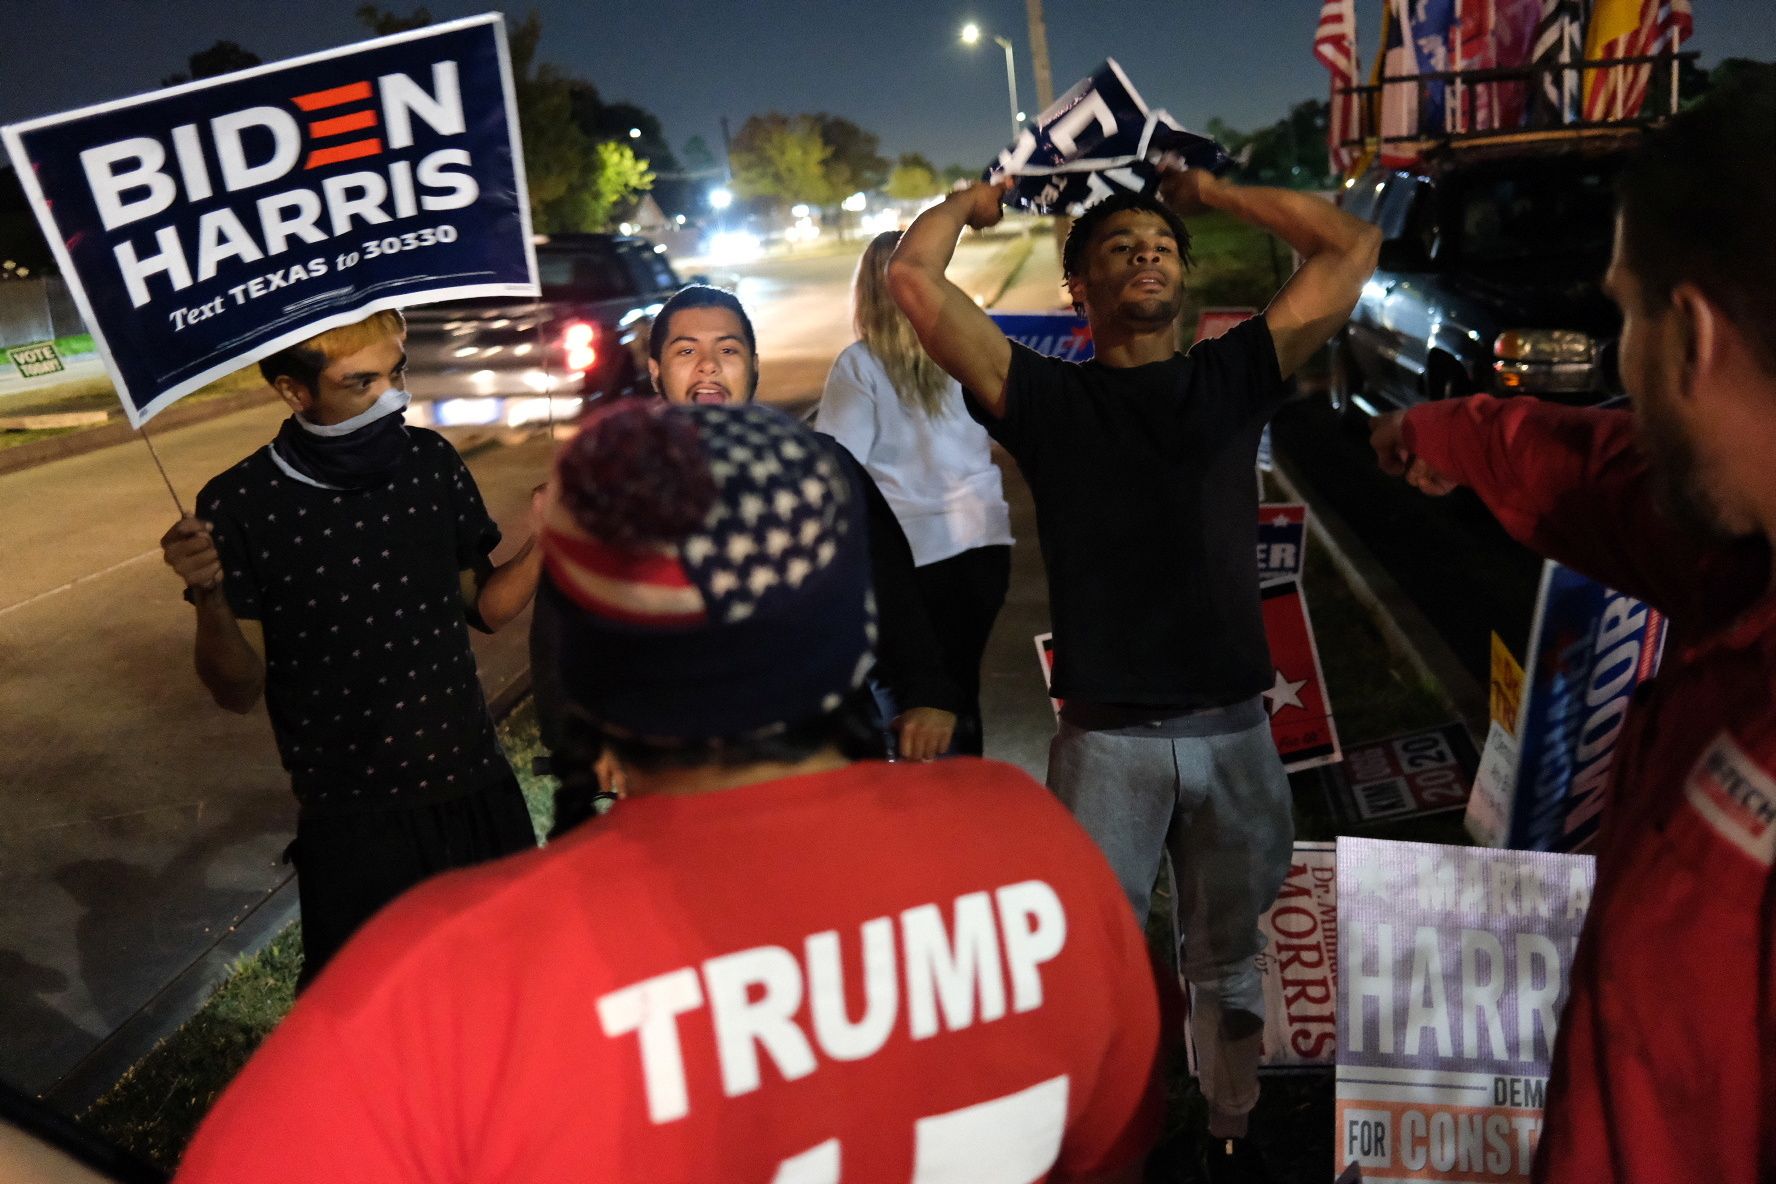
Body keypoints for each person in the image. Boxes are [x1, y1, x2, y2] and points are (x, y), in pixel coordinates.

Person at [174, 399, 1162, 1184]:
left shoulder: (447, 984)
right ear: (852, 634)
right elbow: (1114, 1144)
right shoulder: (1030, 847)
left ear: (591, 679)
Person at [889, 171, 1379, 1180]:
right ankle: (1125, 1132)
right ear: (1079, 288)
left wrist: (1212, 189)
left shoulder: (1233, 374)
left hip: (1238, 733)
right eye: (1120, 247)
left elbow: (1351, 250)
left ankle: (1231, 1127)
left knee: (1229, 959)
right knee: (1099, 966)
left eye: (1162, 242)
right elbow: (913, 277)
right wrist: (970, 202)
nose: (1148, 253)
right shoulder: (1046, 396)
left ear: (1186, 275)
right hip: (1105, 744)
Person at [1368, 79, 1775, 1184]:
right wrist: (1451, 431)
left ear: (1684, 333)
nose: (1620, 374)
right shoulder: (1742, 555)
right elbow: (1605, 478)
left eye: (1625, 309)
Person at [158, 310, 542, 986]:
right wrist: (210, 596)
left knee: (514, 991)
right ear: (294, 391)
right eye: (359, 382)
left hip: (476, 787)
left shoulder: (430, 463)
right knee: (376, 1023)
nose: (390, 398)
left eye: (396, 374)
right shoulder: (241, 503)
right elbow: (237, 688)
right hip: (356, 820)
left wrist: (551, 538)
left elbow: (483, 607)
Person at [534, 285, 961, 833]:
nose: (708, 366)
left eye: (728, 350)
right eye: (686, 351)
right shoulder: (618, 481)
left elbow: (889, 582)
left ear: (753, 365)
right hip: (675, 767)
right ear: (656, 368)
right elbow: (561, 624)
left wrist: (926, 694)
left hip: (815, 752)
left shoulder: (816, 466)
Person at [819, 230, 1015, 756]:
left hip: (909, 559)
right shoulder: (964, 353)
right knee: (961, 692)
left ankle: (929, 819)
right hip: (984, 542)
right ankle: (970, 801)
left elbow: (840, 467)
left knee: (911, 701)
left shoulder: (860, 365)